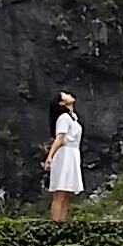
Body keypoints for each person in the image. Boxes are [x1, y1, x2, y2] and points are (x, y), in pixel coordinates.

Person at [44, 92, 84, 222]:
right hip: (64, 154)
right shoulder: (64, 118)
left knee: (67, 193)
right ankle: (56, 223)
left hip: (72, 153)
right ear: (61, 103)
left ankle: (62, 222)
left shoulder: (73, 118)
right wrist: (50, 157)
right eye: (64, 95)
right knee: (60, 192)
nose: (69, 94)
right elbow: (59, 138)